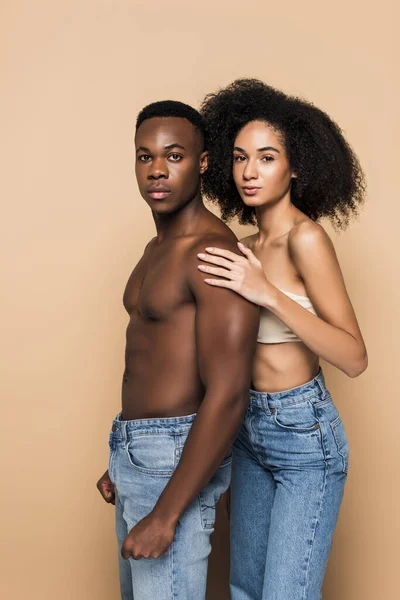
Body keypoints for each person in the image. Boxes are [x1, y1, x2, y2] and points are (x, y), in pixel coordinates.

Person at [199, 79, 368, 600]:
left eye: (267, 158)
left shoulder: (307, 238)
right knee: (246, 588)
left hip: (303, 435)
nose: (250, 172)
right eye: (240, 157)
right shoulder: (242, 246)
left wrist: (267, 293)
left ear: (296, 167)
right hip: (246, 430)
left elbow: (354, 356)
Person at [96, 100, 259, 600]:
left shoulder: (212, 253)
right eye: (145, 157)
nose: (157, 170)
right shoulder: (156, 249)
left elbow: (230, 393)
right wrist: (124, 457)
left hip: (177, 460)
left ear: (203, 162)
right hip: (138, 452)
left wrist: (166, 514)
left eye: (174, 155)